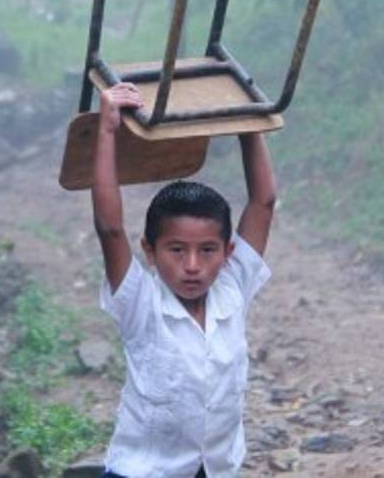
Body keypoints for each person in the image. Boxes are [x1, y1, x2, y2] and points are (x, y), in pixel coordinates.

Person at [91, 82, 277, 478]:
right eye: (176, 250)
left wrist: (249, 122)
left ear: (227, 253)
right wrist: (106, 132)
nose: (192, 265)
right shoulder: (140, 302)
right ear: (150, 251)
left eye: (207, 250)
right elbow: (109, 228)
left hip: (214, 470)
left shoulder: (232, 288)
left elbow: (263, 201)